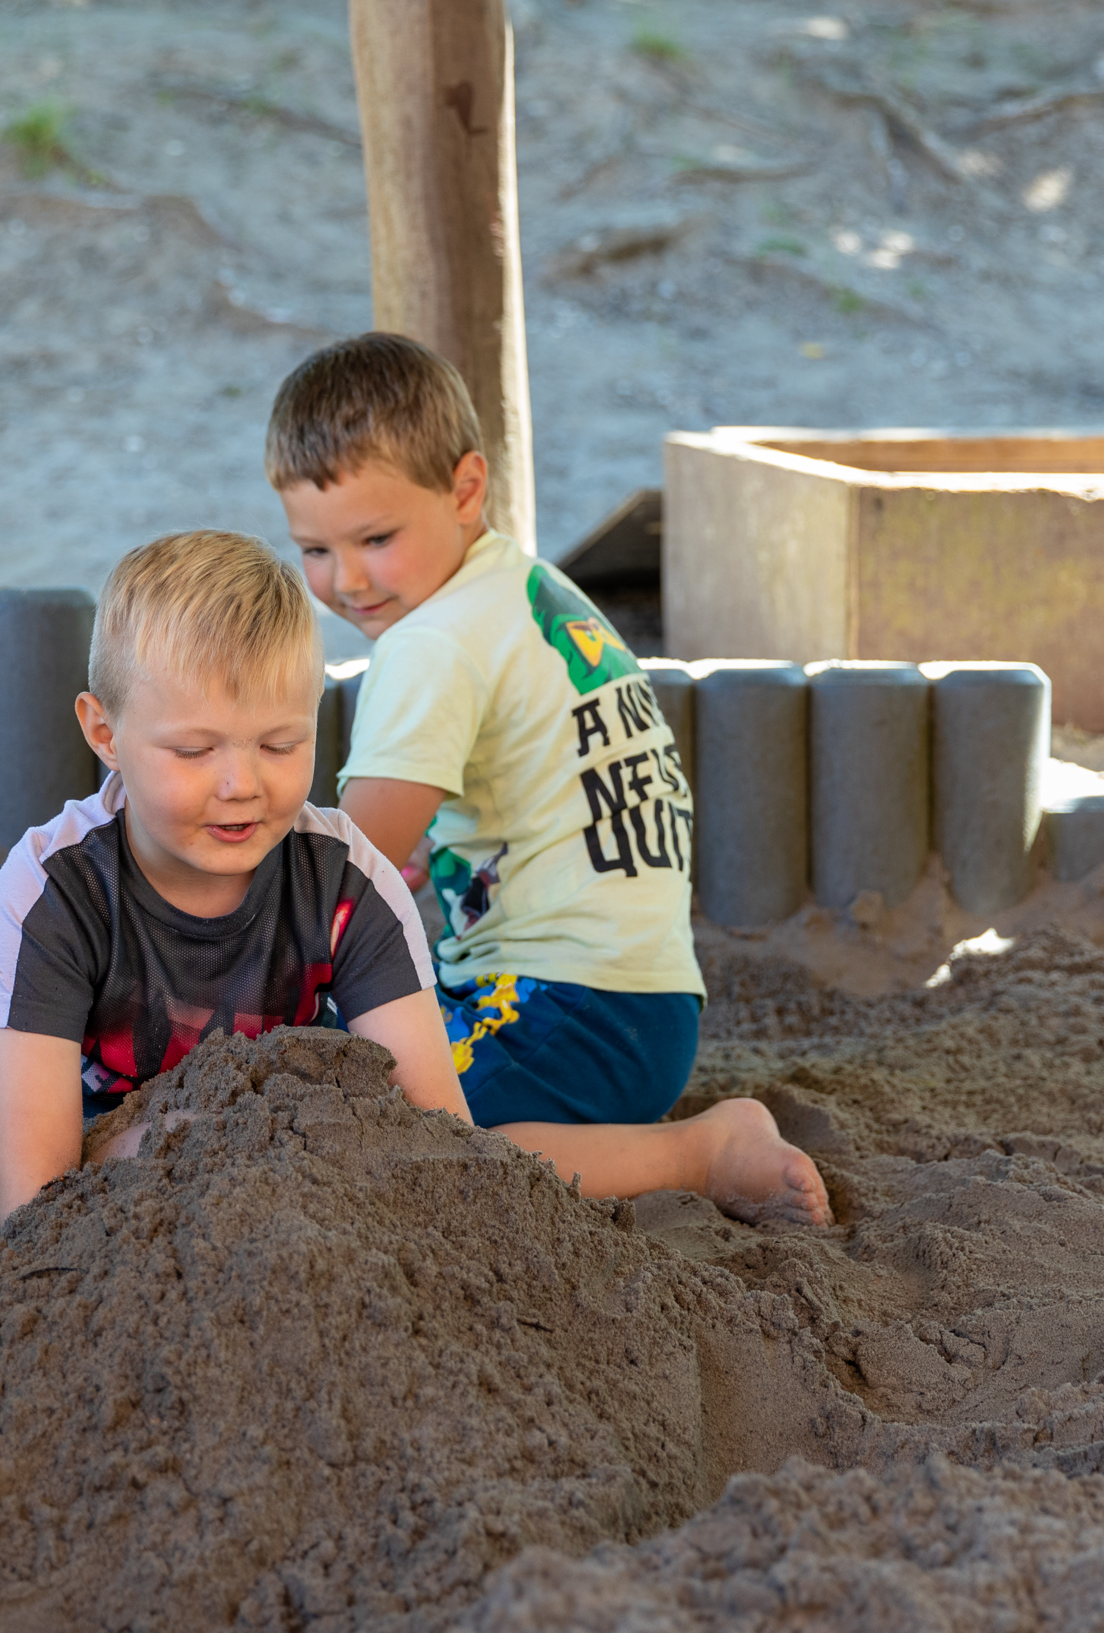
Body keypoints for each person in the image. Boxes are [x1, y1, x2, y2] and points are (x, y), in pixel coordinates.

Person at [267, 332, 827, 1226]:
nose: (349, 581)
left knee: (397, 1129)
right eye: (316, 551)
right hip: (650, 1002)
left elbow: (341, 874)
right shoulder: (530, 592)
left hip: (562, 1009)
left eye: (375, 538)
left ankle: (696, 1152)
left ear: (465, 487)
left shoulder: (430, 643)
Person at [0, 529, 465, 1232]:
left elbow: (444, 1145)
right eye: (195, 750)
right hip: (95, 1165)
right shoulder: (52, 892)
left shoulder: (346, 881)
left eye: (279, 744)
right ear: (105, 733)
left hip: (290, 1167)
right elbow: (32, 1208)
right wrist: (190, 1141)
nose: (241, 785)